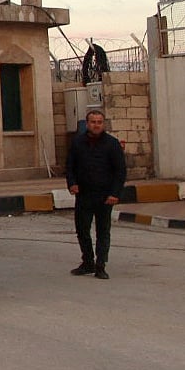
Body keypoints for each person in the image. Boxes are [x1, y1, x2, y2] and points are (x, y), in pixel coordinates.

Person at [66, 108, 126, 279]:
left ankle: (101, 265)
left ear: (103, 124)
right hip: (84, 194)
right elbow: (70, 166)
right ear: (87, 123)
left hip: (105, 195)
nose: (96, 125)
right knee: (82, 229)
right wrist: (72, 184)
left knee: (103, 231)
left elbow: (120, 171)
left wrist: (115, 193)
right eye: (93, 122)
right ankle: (87, 262)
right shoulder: (77, 143)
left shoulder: (112, 144)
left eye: (99, 122)